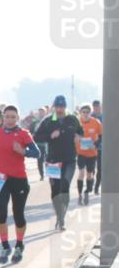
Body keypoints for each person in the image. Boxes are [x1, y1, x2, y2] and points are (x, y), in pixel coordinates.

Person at [0, 105, 34, 265]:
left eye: (13, 117)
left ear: (17, 118)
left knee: (18, 214)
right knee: (1, 214)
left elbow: (37, 153)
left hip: (19, 179)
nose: (9, 120)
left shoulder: (23, 134)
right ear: (3, 118)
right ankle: (5, 246)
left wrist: (23, 151)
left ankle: (20, 245)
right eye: (7, 116)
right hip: (1, 179)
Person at [34, 95, 84, 231]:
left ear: (65, 107)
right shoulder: (48, 121)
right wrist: (50, 136)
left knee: (65, 186)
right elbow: (36, 136)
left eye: (62, 106)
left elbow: (80, 131)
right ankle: (59, 216)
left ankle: (62, 219)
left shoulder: (72, 119)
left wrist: (79, 136)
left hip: (70, 159)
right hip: (53, 161)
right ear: (54, 107)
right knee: (55, 190)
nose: (60, 109)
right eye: (58, 106)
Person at [76, 103, 103, 206]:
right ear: (81, 113)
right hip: (81, 152)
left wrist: (95, 145)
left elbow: (101, 136)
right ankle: (80, 195)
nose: (86, 114)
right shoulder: (77, 123)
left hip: (92, 153)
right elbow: (73, 135)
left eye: (87, 112)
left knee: (89, 174)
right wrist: (76, 138)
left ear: (90, 112)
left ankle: (87, 191)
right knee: (81, 172)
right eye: (84, 112)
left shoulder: (96, 122)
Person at [92, 100, 104, 194]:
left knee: (100, 168)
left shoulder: (104, 116)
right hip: (90, 147)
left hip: (101, 147)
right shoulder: (90, 116)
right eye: (94, 106)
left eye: (97, 106)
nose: (96, 108)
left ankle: (96, 187)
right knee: (91, 168)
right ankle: (90, 184)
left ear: (100, 106)